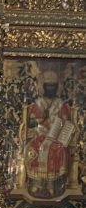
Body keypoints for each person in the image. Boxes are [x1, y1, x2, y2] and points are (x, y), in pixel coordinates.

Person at [23, 70, 74, 199]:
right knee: (36, 148)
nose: (51, 89)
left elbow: (66, 121)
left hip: (56, 136)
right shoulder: (38, 103)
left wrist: (59, 125)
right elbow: (30, 123)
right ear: (44, 86)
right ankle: (37, 184)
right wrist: (41, 120)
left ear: (57, 87)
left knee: (56, 149)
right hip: (40, 134)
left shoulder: (60, 104)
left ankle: (53, 185)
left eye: (53, 86)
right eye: (48, 86)